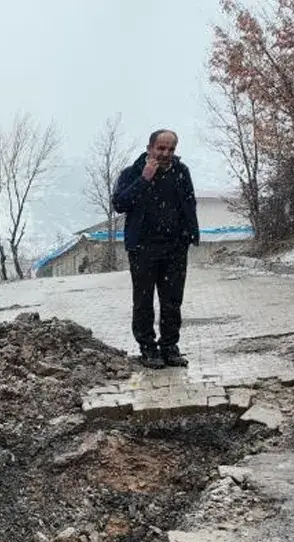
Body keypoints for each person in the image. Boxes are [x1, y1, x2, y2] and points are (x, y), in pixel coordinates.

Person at [111, 129, 201, 369]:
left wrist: (190, 234)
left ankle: (170, 346)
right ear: (150, 147)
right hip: (143, 248)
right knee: (143, 301)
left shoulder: (181, 172)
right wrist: (144, 179)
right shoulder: (132, 173)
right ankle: (148, 348)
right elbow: (119, 204)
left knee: (172, 301)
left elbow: (189, 203)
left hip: (174, 247)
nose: (165, 153)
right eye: (161, 148)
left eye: (171, 149)